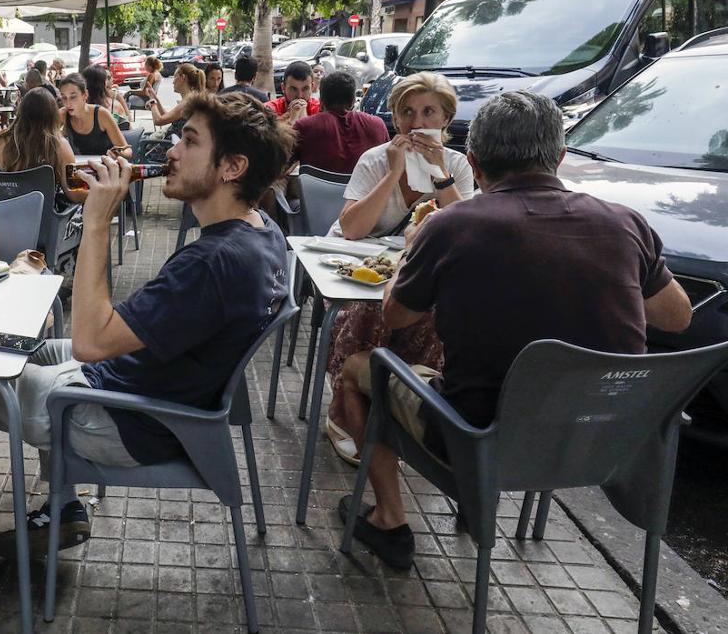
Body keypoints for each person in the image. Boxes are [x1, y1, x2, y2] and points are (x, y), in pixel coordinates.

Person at [335, 91, 692, 571]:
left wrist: (412, 250)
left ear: (475, 164)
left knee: (360, 368)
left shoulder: (453, 225)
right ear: (559, 157)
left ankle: (388, 518)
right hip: (606, 440)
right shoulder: (626, 223)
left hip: (476, 434)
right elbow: (677, 317)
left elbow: (396, 317)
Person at [0, 92, 294, 558]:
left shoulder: (213, 263)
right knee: (6, 345)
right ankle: (62, 507)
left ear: (232, 167)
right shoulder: (260, 230)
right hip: (142, 386)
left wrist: (95, 222)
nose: (170, 151)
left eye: (188, 141)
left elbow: (91, 342)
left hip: (123, 418)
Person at [320, 72, 476, 464]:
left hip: (417, 270)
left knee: (438, 314)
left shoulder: (456, 164)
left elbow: (466, 233)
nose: (417, 122)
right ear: (394, 118)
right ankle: (344, 407)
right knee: (368, 311)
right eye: (407, 112)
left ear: (445, 119)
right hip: (357, 268)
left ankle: (407, 404)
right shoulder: (375, 160)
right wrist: (392, 173)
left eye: (428, 112)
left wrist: (439, 173)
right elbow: (353, 230)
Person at [0, 86, 85, 203]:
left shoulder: (1, 141)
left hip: (2, 216)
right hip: (42, 218)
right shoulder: (59, 145)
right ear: (52, 115)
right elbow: (74, 193)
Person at [293, 71, 389, 173]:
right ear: (353, 101)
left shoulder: (304, 127)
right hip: (368, 188)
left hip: (314, 188)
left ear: (321, 102)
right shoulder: (377, 125)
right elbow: (389, 165)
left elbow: (281, 167)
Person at [61, 71, 132, 158]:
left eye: (73, 97)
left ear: (85, 95)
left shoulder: (101, 114)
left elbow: (128, 151)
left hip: (105, 167)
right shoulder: (63, 115)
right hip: (78, 169)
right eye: (64, 98)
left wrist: (120, 153)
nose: (68, 104)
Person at [148, 63, 206, 137]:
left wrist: (153, 103)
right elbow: (167, 116)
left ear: (182, 77)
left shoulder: (187, 102)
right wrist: (154, 97)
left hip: (173, 145)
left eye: (175, 77)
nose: (173, 82)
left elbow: (159, 121)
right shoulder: (191, 98)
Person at [83, 65, 132, 137]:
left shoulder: (115, 100)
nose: (110, 81)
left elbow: (127, 124)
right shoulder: (113, 105)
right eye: (107, 78)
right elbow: (128, 130)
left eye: (109, 77)